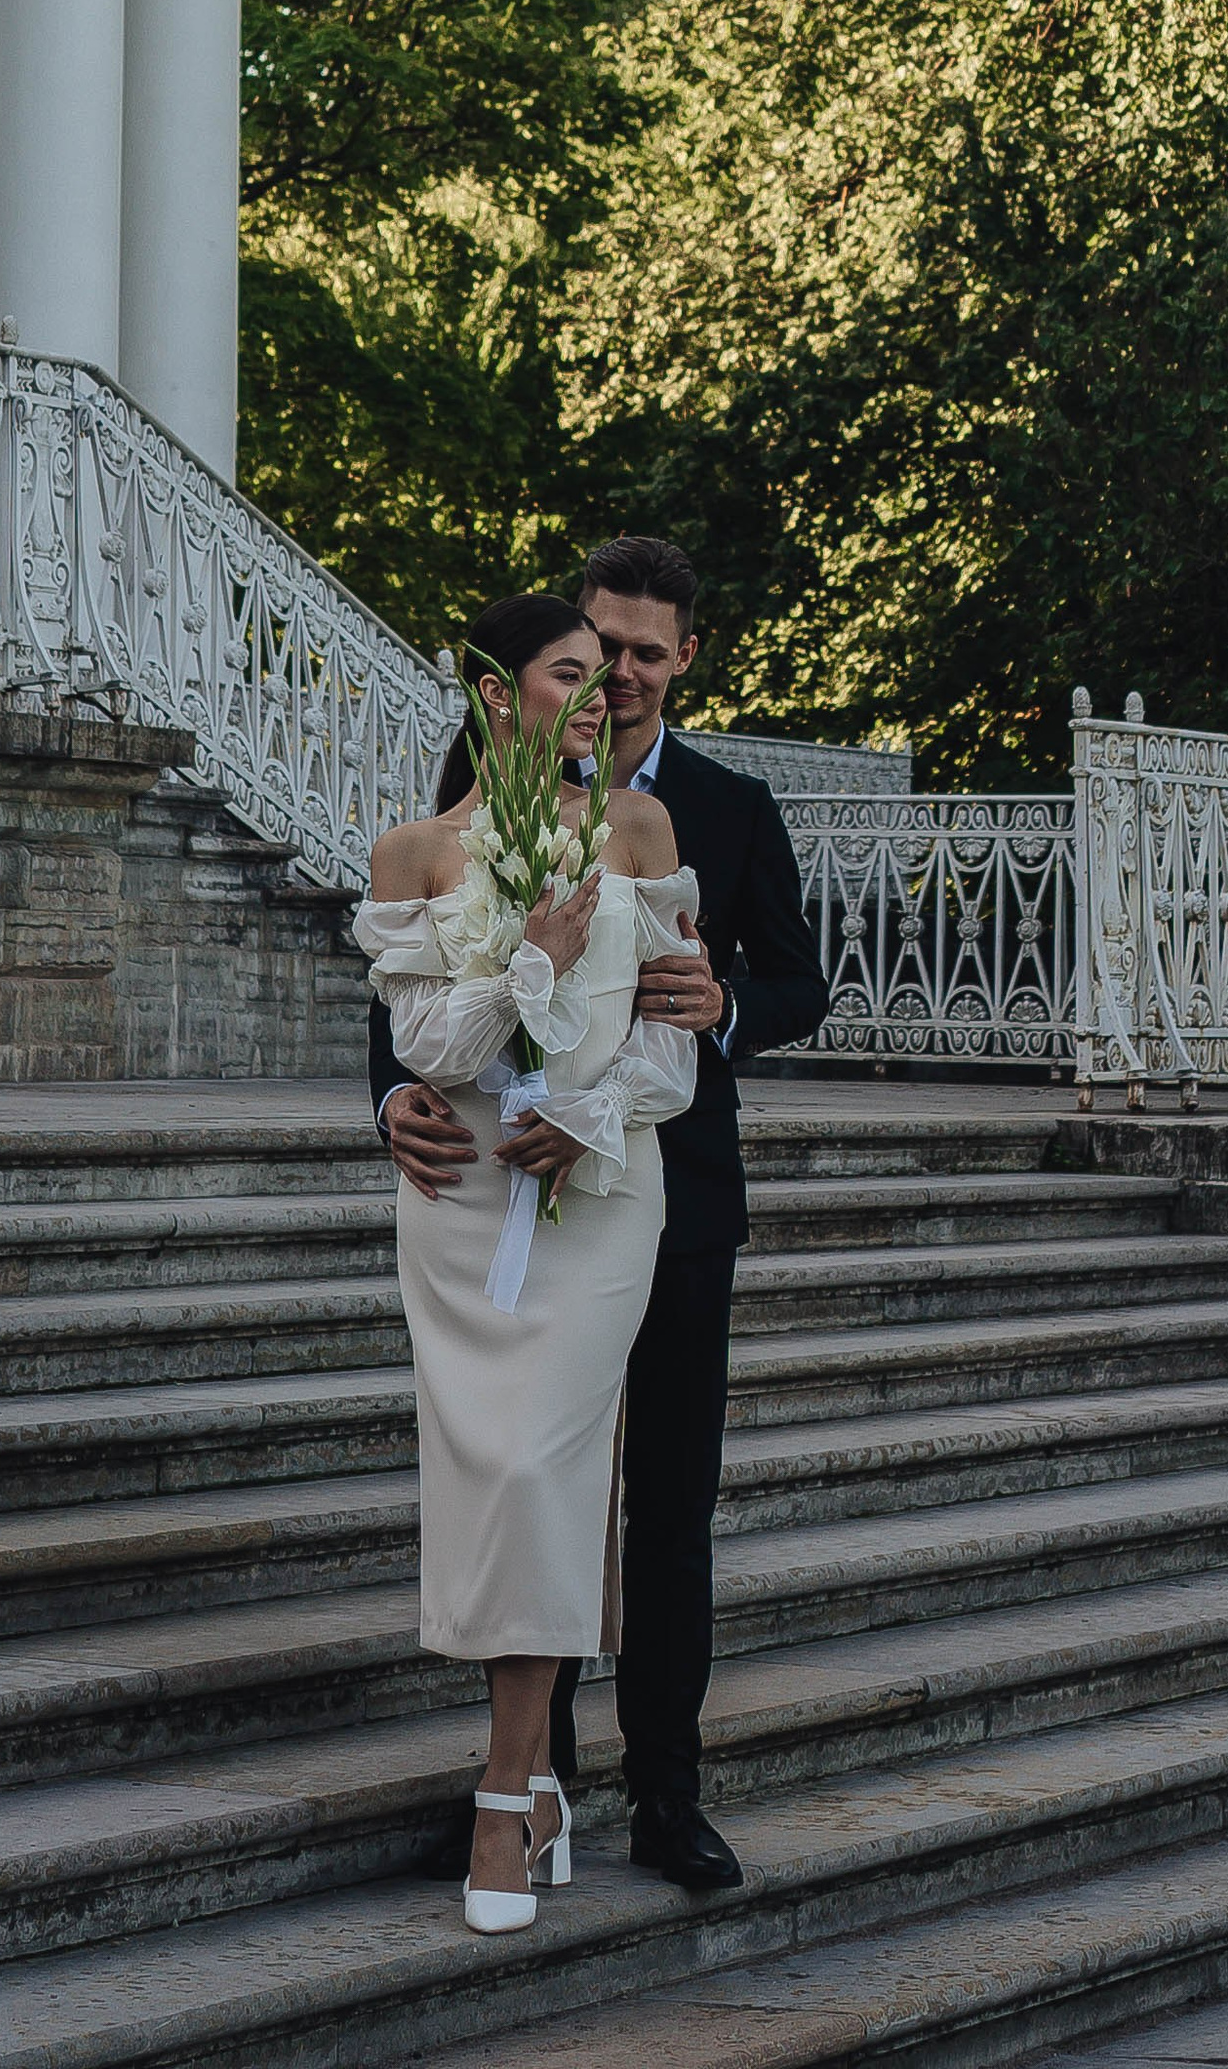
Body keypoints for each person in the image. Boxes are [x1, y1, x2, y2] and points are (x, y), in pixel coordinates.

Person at [374, 532, 831, 1891]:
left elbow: (798, 980)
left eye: (644, 651)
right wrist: (383, 1102)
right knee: (536, 1485)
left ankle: (667, 1794)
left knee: (666, 1505)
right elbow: (404, 1000)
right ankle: (532, 1775)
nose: (620, 672)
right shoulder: (464, 802)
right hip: (493, 1188)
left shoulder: (724, 805)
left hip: (667, 1201)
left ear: (684, 660)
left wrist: (725, 1008)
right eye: (599, 644)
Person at [353, 592, 702, 1933]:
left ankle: (510, 1794)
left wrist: (592, 1113)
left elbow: (671, 1031)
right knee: (491, 1470)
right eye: (576, 670)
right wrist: (531, 964)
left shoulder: (638, 829)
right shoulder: (412, 852)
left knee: (549, 1461)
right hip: (460, 1190)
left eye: (614, 669)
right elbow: (428, 1052)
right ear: (501, 697)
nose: (607, 686)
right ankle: (541, 1788)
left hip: (604, 1187)